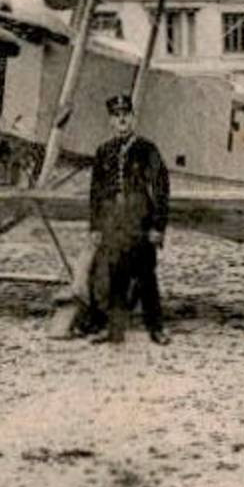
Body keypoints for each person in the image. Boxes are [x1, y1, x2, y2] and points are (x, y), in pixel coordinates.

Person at [86, 93, 171, 345]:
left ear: (133, 118)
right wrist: (95, 226)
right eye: (116, 116)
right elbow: (96, 193)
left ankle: (156, 328)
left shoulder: (147, 149)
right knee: (115, 276)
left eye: (126, 115)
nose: (121, 120)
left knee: (146, 276)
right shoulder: (103, 152)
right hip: (113, 223)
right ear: (110, 121)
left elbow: (161, 188)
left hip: (139, 221)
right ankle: (115, 331)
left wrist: (158, 226)